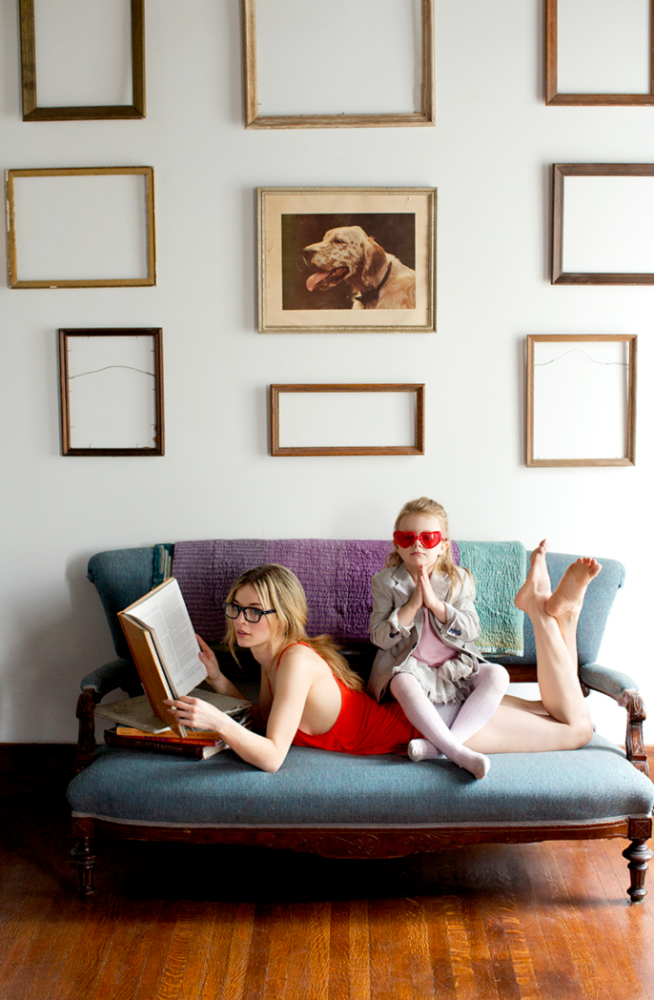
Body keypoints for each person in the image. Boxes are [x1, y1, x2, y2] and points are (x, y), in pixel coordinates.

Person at [166, 541, 599, 777]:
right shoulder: (274, 659)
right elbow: (268, 720)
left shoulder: (294, 662)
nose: (243, 620)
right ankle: (564, 615)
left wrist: (218, 720)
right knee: (561, 713)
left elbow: (273, 756)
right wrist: (221, 681)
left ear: (284, 616)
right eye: (237, 608)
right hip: (428, 710)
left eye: (256, 611)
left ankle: (544, 613)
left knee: (578, 728)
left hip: (431, 721)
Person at [368, 497, 511, 779]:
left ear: (443, 545)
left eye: (427, 538)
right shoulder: (385, 582)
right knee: (401, 682)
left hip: (452, 668)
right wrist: (410, 607)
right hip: (409, 668)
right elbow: (379, 637)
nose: (417, 544)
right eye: (406, 538)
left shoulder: (458, 579)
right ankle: (459, 754)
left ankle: (440, 749)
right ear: (397, 544)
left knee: (498, 675)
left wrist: (437, 606)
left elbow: (471, 630)